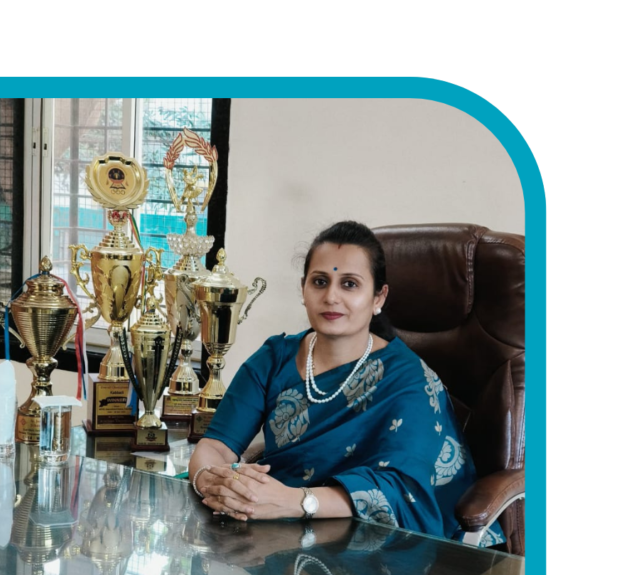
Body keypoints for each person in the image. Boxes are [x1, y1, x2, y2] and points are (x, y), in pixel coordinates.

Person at [187, 221, 504, 547]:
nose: (331, 297)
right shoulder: (273, 359)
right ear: (303, 289)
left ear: (379, 297)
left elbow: (405, 491)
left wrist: (297, 501)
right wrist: (215, 483)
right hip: (271, 532)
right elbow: (216, 446)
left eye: (349, 284)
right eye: (320, 282)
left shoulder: (408, 381)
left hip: (374, 545)